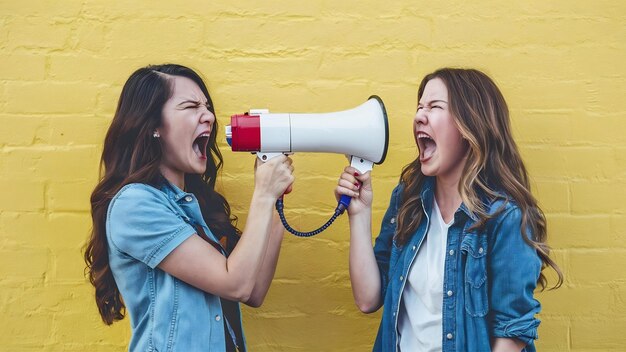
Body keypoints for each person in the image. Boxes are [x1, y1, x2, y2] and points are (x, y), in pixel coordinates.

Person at [335, 68, 563, 352]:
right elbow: (368, 299)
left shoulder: (505, 217)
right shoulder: (407, 200)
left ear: (470, 125)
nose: (419, 116)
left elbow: (511, 333)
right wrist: (359, 213)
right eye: (419, 107)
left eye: (434, 107)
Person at [84, 64, 294, 351]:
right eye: (191, 106)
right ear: (153, 126)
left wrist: (274, 204)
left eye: (207, 106)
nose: (208, 115)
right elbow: (237, 283)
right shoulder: (134, 205)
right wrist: (263, 193)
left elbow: (253, 291)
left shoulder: (193, 209)